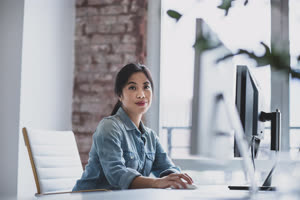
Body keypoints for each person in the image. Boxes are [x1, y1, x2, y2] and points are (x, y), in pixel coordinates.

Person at [73, 63, 193, 191]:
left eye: (146, 87)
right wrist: (156, 182)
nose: (141, 94)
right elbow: (117, 175)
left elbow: (166, 167)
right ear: (120, 95)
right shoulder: (109, 127)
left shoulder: (150, 136)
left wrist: (176, 178)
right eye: (132, 88)